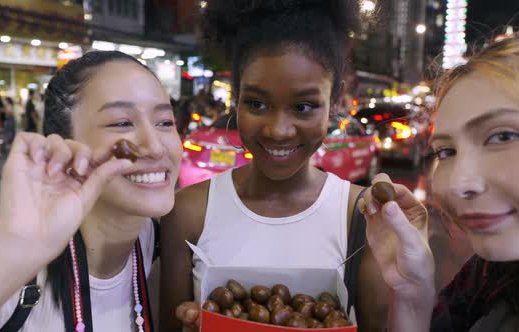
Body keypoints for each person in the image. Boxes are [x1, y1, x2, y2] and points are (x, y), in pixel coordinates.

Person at [159, 1, 429, 331]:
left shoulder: (363, 215)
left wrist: (414, 288)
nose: (278, 130)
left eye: (303, 107)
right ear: (236, 96)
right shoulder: (188, 211)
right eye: (257, 103)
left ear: (335, 103)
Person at [0, 50, 182, 331]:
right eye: (122, 123)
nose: (156, 146)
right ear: (65, 143)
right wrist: (11, 248)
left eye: (165, 122)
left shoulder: (161, 245)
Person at [360, 35, 519, 331]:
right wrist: (411, 289)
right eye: (446, 151)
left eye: (503, 136)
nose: (459, 183)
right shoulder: (485, 279)